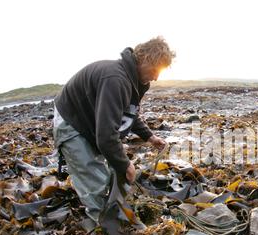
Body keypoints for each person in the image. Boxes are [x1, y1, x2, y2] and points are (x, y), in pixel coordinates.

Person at [53, 36, 175, 223]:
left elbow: (129, 114)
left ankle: (110, 214)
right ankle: (101, 229)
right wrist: (125, 164)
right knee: (95, 181)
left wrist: (149, 137)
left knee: (110, 173)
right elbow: (106, 137)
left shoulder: (136, 82)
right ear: (144, 59)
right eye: (155, 70)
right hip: (72, 121)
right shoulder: (115, 79)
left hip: (91, 121)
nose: (156, 77)